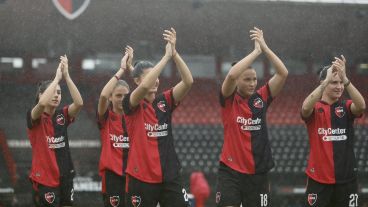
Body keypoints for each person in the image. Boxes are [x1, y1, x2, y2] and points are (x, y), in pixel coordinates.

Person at [216, 27, 288, 207]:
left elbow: (283, 73)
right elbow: (232, 74)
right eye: (247, 79)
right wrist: (255, 52)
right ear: (238, 82)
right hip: (230, 170)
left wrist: (264, 47)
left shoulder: (261, 98)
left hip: (258, 171)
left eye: (254, 79)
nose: (252, 83)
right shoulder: (229, 99)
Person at [122, 28, 193, 207]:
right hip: (141, 177)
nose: (156, 80)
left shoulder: (165, 101)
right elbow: (145, 86)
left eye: (157, 76)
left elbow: (188, 81)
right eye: (150, 76)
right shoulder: (130, 103)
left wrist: (174, 54)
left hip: (169, 174)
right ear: (137, 81)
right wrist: (165, 58)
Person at [301, 55, 365, 207]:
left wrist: (346, 79)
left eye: (341, 83)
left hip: (346, 179)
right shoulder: (315, 108)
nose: (339, 86)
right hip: (319, 179)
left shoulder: (347, 107)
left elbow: (361, 106)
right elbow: (305, 108)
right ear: (323, 83)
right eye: (334, 82)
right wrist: (324, 82)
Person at [26, 55, 83, 207]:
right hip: (45, 178)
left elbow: (79, 103)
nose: (56, 95)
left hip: (65, 175)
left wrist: (67, 77)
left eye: (59, 93)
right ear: (40, 95)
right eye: (53, 92)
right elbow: (42, 102)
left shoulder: (62, 114)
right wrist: (56, 78)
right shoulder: (34, 115)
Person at [97, 46, 134, 207]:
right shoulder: (105, 117)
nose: (122, 99)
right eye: (118, 95)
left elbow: (147, 88)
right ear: (112, 98)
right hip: (112, 176)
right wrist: (122, 70)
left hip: (134, 174)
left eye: (126, 95)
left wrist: (133, 70)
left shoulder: (135, 116)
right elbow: (103, 95)